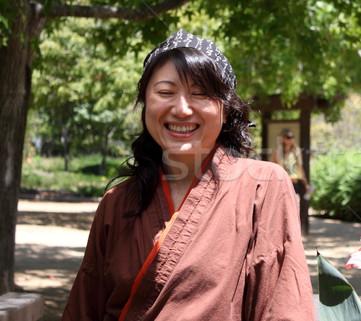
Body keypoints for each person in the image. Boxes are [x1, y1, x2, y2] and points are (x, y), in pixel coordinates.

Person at [62, 29, 315, 321]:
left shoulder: (263, 187)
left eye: (200, 94)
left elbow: (282, 307)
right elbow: (84, 308)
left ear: (225, 109)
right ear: (146, 102)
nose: (182, 109)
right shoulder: (117, 202)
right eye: (165, 92)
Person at [271, 129, 310, 199]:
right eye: (288, 137)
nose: (291, 139)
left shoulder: (296, 151)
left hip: (294, 184)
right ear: (282, 139)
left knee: (295, 205)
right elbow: (273, 169)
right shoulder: (277, 152)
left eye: (292, 137)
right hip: (281, 184)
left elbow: (300, 168)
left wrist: (306, 185)